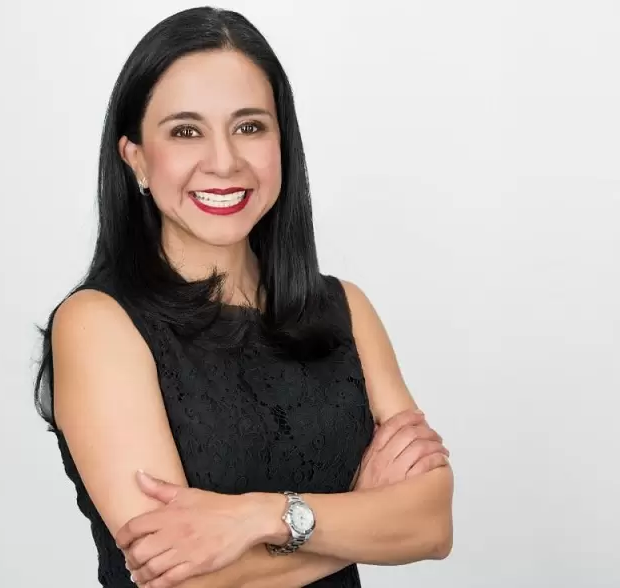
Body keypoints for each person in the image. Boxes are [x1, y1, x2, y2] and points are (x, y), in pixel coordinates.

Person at [33, 7, 454, 587]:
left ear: (283, 142)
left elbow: (432, 525)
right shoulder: (98, 324)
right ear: (137, 160)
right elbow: (181, 579)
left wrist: (260, 517)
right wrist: (361, 514)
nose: (224, 161)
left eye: (250, 127)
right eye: (186, 131)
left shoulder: (345, 309)